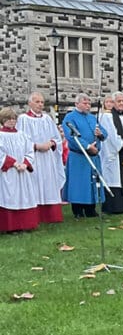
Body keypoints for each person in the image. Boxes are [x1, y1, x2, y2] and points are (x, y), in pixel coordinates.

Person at [16, 92, 65, 223]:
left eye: (42, 102)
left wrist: (51, 143)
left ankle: (51, 216)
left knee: (48, 184)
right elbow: (19, 140)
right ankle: (34, 215)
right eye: (37, 102)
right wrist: (36, 146)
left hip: (48, 158)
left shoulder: (47, 119)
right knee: (34, 183)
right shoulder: (23, 119)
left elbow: (57, 138)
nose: (40, 105)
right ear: (30, 103)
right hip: (33, 157)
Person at [63, 94, 108, 218]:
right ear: (77, 104)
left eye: (89, 103)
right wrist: (88, 146)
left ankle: (90, 209)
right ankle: (77, 209)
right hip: (79, 156)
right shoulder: (70, 117)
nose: (88, 106)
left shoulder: (92, 118)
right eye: (85, 103)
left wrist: (100, 134)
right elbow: (72, 137)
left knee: (92, 182)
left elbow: (104, 132)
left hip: (94, 156)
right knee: (79, 183)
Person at [0, 107, 40, 233]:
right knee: (10, 196)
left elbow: (30, 150)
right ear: (2, 120)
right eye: (8, 119)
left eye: (13, 119)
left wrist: (25, 163)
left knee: (25, 196)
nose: (11, 121)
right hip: (9, 172)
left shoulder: (22, 135)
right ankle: (11, 226)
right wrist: (13, 163)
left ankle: (26, 224)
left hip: (23, 171)